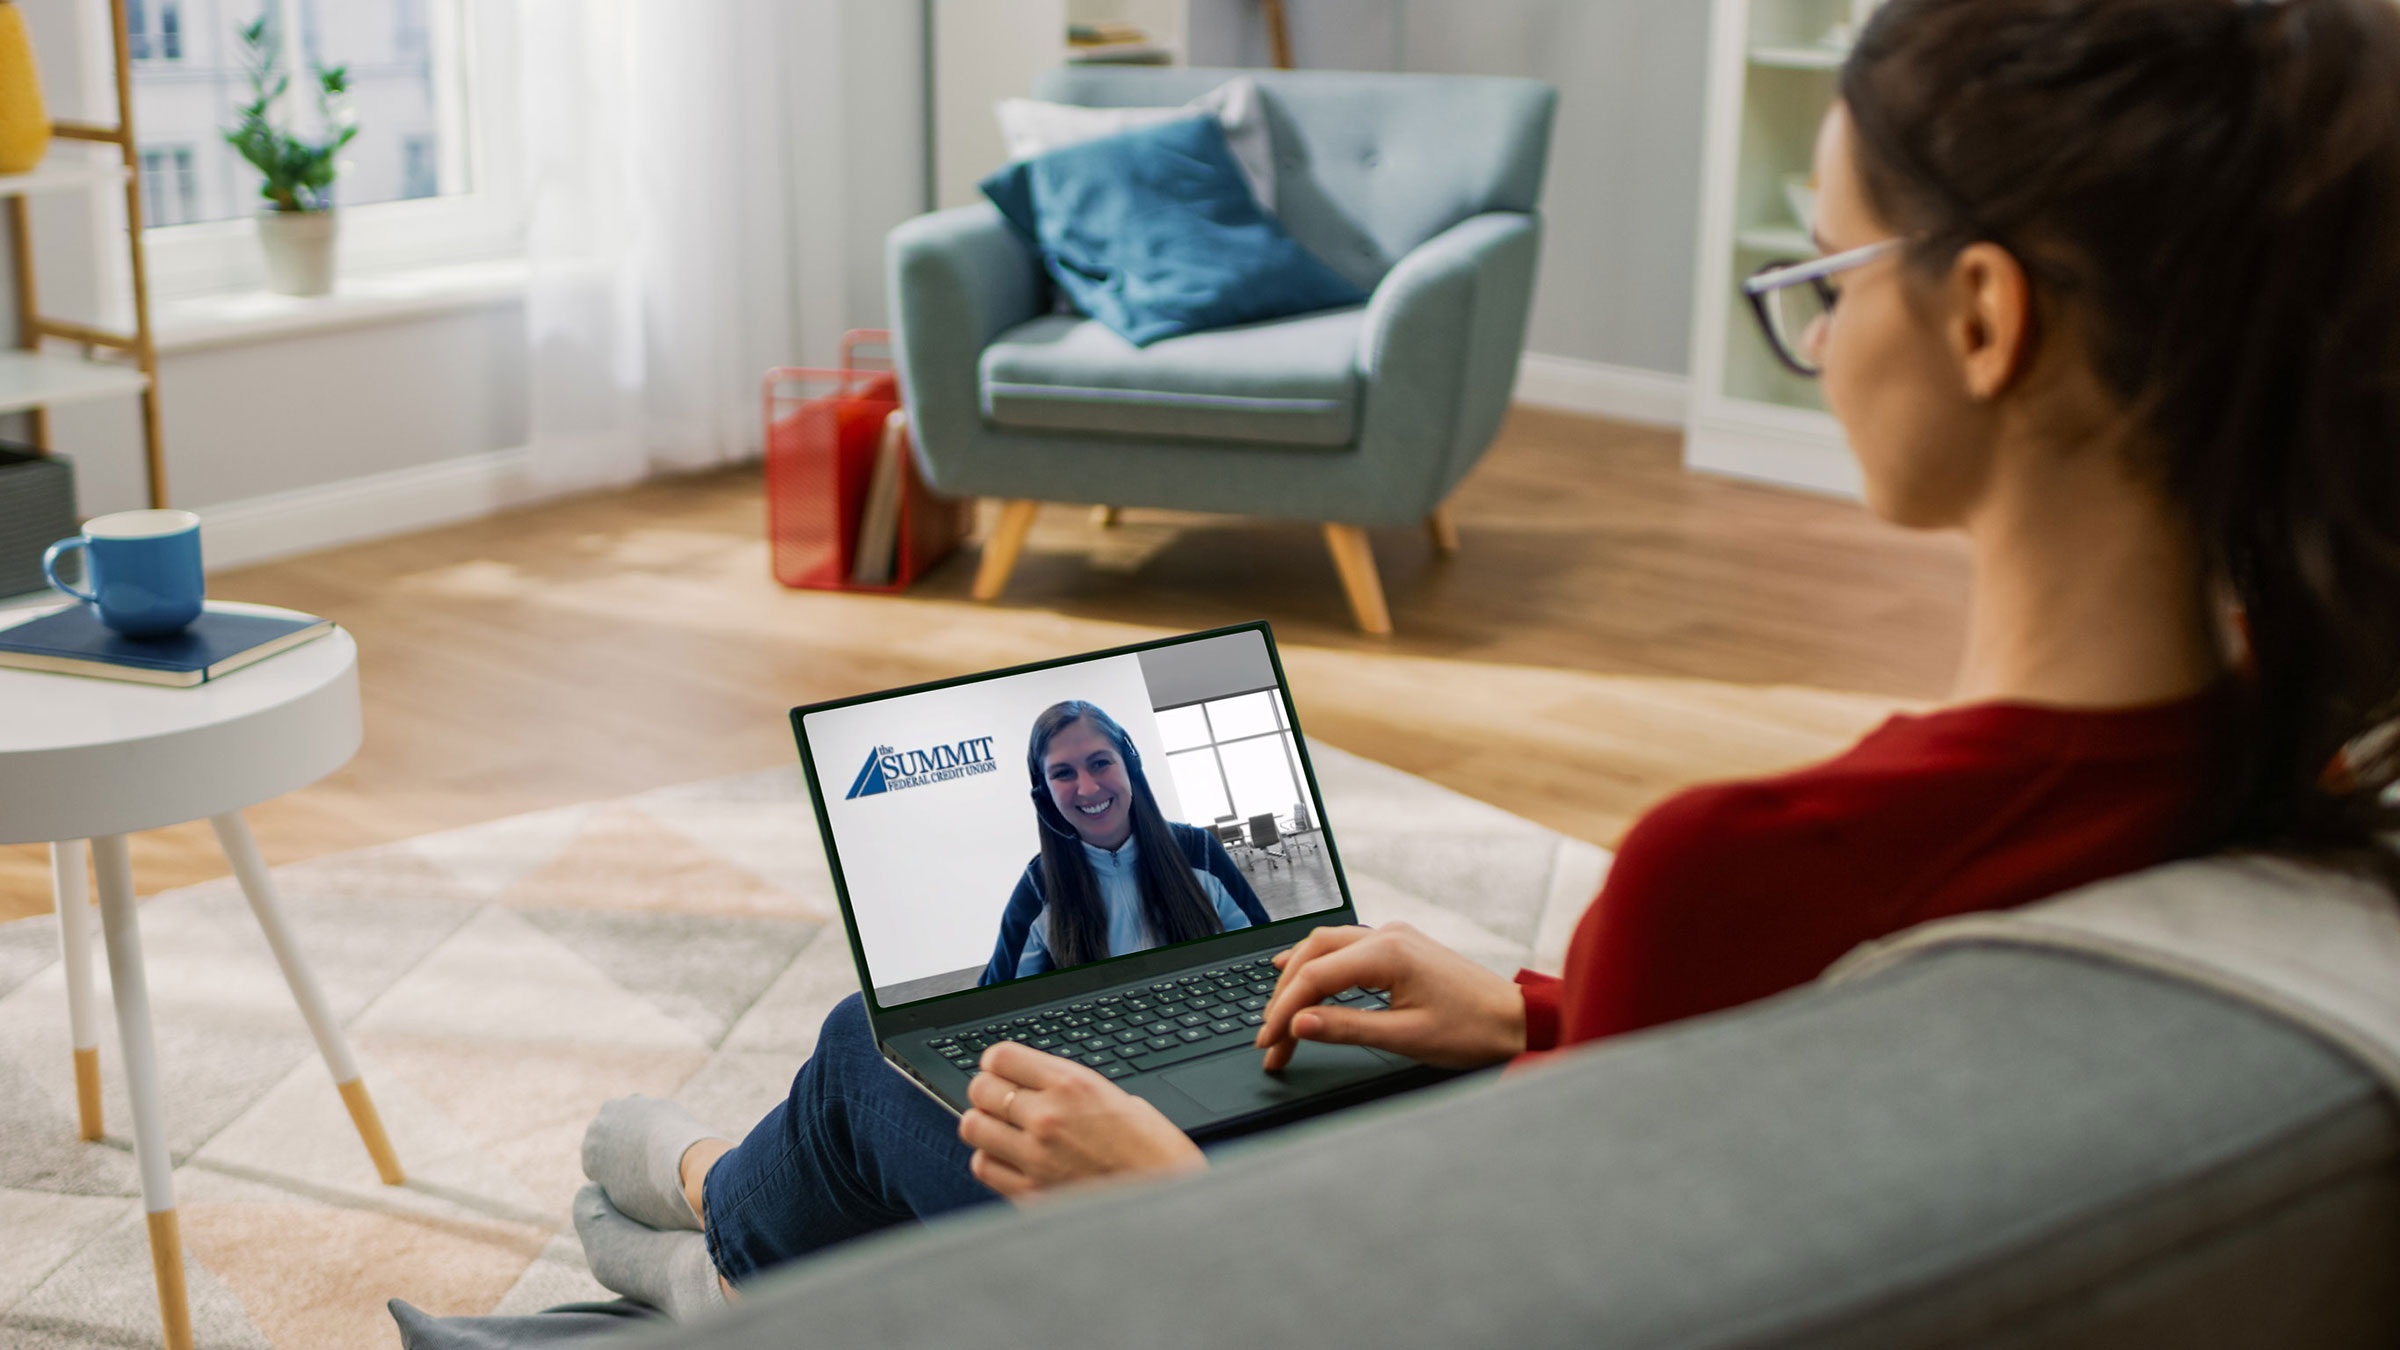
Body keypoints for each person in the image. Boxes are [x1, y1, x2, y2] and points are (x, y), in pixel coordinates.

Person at [567, 0, 2400, 1318]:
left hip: (1308, 1278)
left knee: (896, 1053)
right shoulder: (2319, 781)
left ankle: (721, 1255)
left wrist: (1175, 1210)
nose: (1820, 329)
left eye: (1829, 274)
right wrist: (1535, 1013)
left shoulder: (1732, 870)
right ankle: (722, 1242)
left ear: (1985, 318)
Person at [975, 701, 1268, 986]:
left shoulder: (1197, 850)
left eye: (1100, 763)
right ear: (1044, 792)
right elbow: (992, 1006)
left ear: (1130, 766)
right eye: (1063, 773)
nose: (1088, 788)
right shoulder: (1039, 886)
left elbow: (1266, 954)